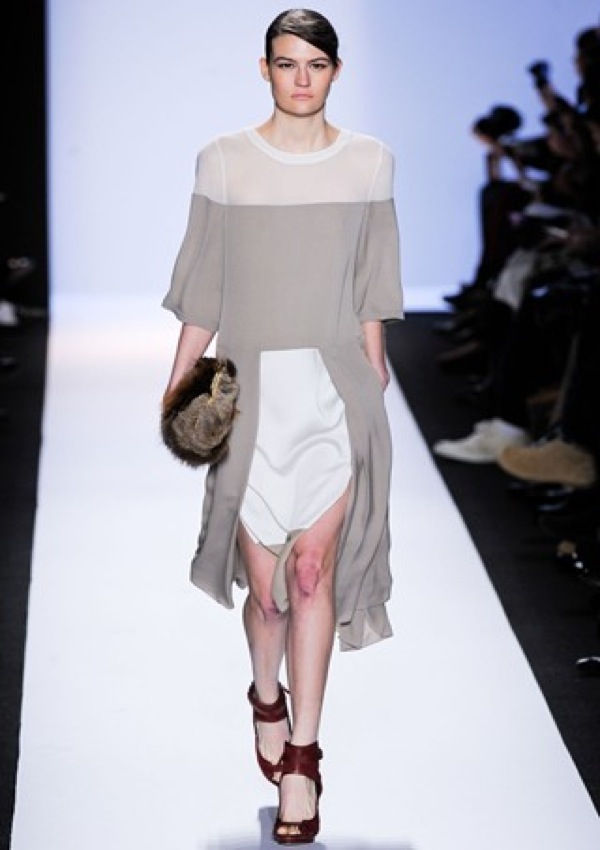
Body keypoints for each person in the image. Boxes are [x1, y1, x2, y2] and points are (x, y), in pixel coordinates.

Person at [162, 9, 402, 844]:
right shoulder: (224, 159)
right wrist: (179, 383)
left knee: (309, 575)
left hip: (335, 388)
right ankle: (267, 696)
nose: (302, 78)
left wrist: (373, 371)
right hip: (253, 392)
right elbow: (204, 284)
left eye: (317, 64)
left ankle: (303, 755)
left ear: (336, 71)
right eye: (287, 63)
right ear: (263, 68)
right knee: (264, 592)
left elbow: (374, 282)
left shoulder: (370, 160)